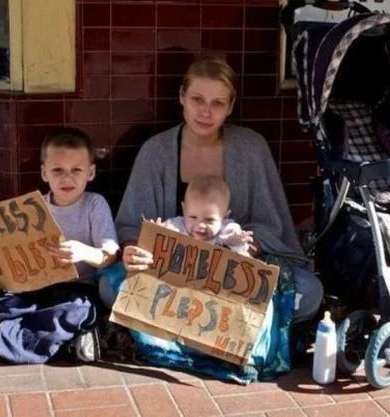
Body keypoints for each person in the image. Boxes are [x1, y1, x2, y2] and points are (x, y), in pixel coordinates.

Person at [102, 55, 323, 326]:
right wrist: (135, 250)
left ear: (230, 106)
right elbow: (131, 225)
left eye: (217, 103)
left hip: (234, 275)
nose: (205, 112)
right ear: (182, 97)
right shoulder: (156, 151)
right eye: (197, 99)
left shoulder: (251, 148)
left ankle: (191, 323)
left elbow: (271, 225)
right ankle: (216, 322)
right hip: (170, 274)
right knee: (110, 286)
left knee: (309, 292)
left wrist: (243, 250)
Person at [0, 127, 119, 364]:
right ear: (44, 173)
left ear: (91, 172)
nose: (67, 178)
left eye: (76, 170)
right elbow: (7, 260)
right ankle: (69, 336)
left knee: (79, 310)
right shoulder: (31, 209)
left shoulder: (94, 205)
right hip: (34, 288)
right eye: (57, 170)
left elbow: (110, 255)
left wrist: (84, 252)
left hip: (76, 289)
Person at [161, 175, 252, 256]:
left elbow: (242, 255)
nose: (200, 225)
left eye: (209, 220)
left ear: (224, 217)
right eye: (193, 217)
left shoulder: (228, 232)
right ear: (184, 210)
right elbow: (166, 231)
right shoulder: (178, 226)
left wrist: (236, 243)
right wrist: (160, 230)